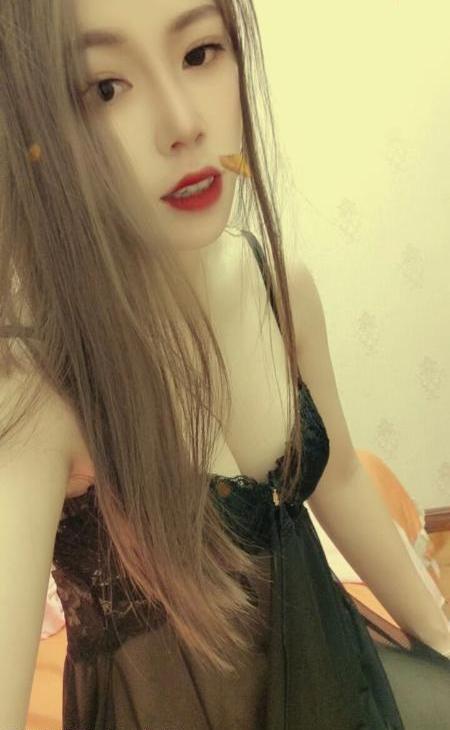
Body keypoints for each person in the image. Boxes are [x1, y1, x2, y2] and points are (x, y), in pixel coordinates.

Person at [0, 1, 449, 729]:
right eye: (106, 88)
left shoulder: (280, 288)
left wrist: (439, 636)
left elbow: (338, 476)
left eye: (199, 53)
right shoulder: (40, 382)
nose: (183, 124)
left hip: (334, 680)